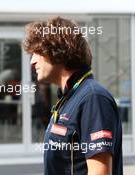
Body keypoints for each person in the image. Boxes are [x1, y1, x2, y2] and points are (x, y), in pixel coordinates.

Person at [22, 17, 122, 175]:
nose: (32, 61)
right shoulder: (68, 97)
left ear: (58, 50)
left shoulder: (93, 98)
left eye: (37, 52)